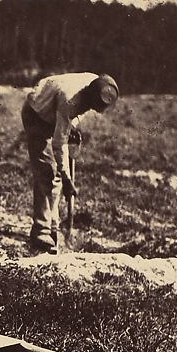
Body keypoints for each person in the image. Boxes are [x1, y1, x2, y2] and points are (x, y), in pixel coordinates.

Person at [20, 72, 119, 253]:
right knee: (47, 173)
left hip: (56, 113)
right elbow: (59, 143)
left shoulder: (96, 83)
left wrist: (72, 127)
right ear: (90, 98)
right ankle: (41, 230)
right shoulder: (70, 100)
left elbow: (76, 114)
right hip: (36, 115)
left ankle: (53, 227)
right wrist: (67, 178)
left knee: (55, 175)